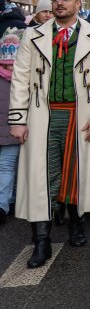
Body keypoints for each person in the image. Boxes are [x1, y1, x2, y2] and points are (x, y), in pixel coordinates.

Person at [8, 0, 90, 268]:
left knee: (76, 172)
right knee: (43, 177)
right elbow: (20, 78)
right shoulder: (33, 34)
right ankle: (42, 241)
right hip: (42, 115)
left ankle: (76, 222)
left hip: (80, 114)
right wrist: (18, 119)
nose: (60, 3)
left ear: (77, 4)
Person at [0, 29, 23, 223]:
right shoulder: (24, 79)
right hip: (15, 128)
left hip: (13, 129)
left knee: (7, 166)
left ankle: (4, 203)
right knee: (8, 166)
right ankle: (5, 203)